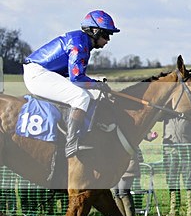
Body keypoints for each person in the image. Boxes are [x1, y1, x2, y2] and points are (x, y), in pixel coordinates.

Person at [23, 10, 119, 157]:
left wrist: (96, 84)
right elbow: (76, 79)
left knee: (91, 94)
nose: (108, 40)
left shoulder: (83, 42)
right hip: (38, 74)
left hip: (44, 73)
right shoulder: (79, 44)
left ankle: (87, 130)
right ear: (95, 31)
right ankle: (71, 143)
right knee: (81, 97)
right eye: (106, 35)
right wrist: (97, 84)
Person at [114, 131, 157, 216]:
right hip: (115, 165)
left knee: (123, 192)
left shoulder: (129, 125)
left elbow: (144, 131)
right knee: (116, 193)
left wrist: (150, 135)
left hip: (128, 164)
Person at [162, 115, 191, 216]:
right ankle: (173, 210)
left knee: (188, 179)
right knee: (171, 180)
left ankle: (190, 211)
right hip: (170, 151)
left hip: (187, 150)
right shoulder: (167, 114)